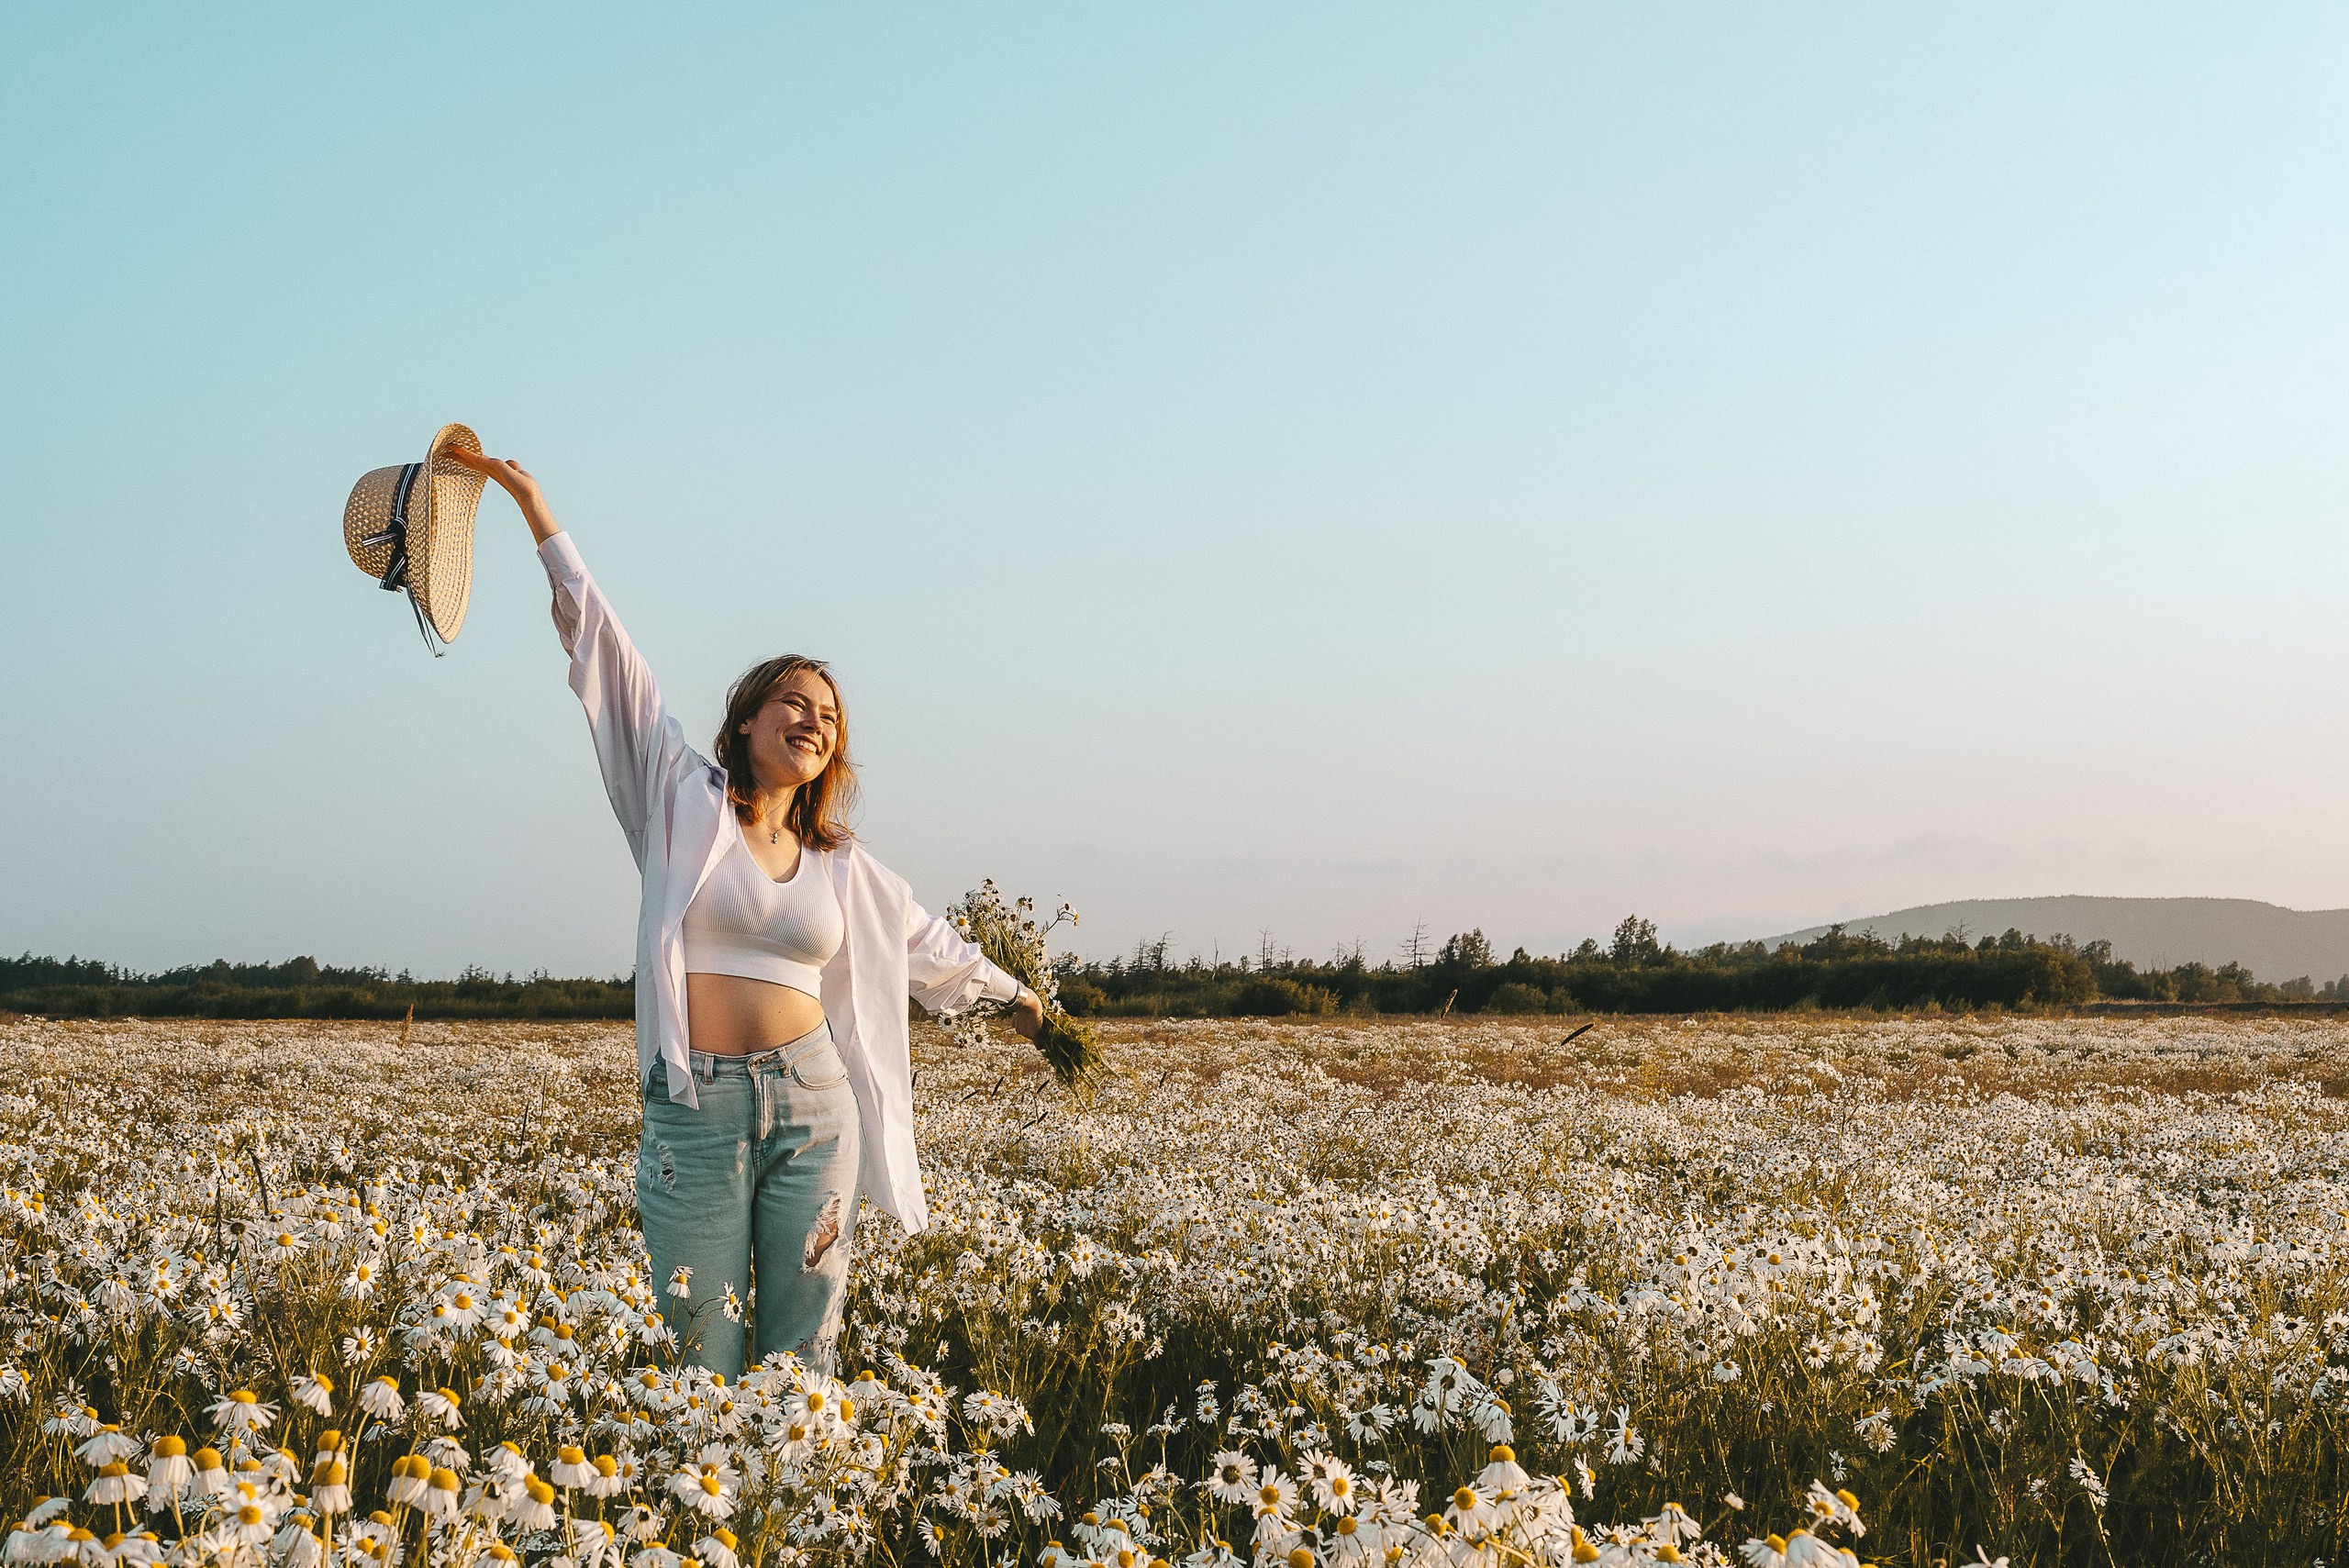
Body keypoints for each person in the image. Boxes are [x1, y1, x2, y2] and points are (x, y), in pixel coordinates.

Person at [449, 445, 1044, 1379]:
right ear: (746, 719)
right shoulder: (678, 795)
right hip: (697, 1105)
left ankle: (792, 1509)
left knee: (805, 1343)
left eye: (829, 718)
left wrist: (1018, 998)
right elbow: (607, 651)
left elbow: (931, 944)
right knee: (698, 1343)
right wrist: (533, 506)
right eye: (792, 702)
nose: (811, 721)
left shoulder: (846, 867)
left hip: (817, 1102)